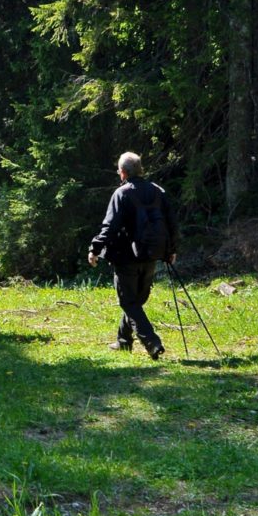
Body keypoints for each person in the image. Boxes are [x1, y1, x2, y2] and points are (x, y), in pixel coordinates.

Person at [88, 152, 179, 360]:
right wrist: (171, 250)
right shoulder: (158, 192)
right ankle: (123, 341)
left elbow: (109, 227)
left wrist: (94, 249)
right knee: (135, 300)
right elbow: (172, 223)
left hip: (126, 257)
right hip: (152, 255)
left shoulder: (122, 194)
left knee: (130, 302)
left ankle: (152, 342)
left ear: (123, 172)